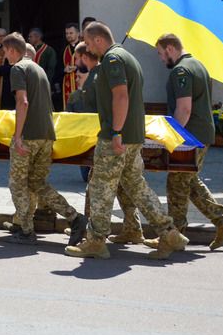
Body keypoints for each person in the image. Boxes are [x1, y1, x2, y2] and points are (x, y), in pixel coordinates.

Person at [66, 21, 188, 260]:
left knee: (100, 186)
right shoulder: (126, 57)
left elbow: (121, 96)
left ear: (99, 40)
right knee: (136, 186)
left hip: (118, 136)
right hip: (132, 136)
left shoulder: (112, 60)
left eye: (89, 43)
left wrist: (115, 132)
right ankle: (169, 232)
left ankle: (96, 241)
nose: (88, 49)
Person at [145, 34, 223, 250]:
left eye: (161, 54)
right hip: (201, 134)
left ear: (170, 49)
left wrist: (172, 139)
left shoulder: (181, 70)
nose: (161, 59)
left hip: (189, 137)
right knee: (189, 182)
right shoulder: (198, 64)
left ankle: (174, 236)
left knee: (177, 184)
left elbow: (184, 108)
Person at [2, 33, 87, 245]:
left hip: (29, 135)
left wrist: (18, 136)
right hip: (46, 135)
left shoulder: (18, 69)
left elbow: (22, 102)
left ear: (13, 51)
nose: (4, 56)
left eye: (5, 52)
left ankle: (25, 230)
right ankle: (74, 218)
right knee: (37, 183)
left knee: (17, 183)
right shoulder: (38, 69)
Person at [27, 28, 58, 92]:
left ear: (38, 37)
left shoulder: (49, 50)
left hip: (43, 84)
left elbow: (51, 69)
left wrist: (46, 82)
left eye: (31, 37)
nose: (28, 39)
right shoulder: (29, 50)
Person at [61, 22, 80, 110]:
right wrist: (64, 70)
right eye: (67, 33)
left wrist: (77, 68)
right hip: (67, 85)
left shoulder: (84, 47)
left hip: (80, 83)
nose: (68, 35)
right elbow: (57, 68)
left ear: (78, 33)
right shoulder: (63, 49)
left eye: (71, 33)